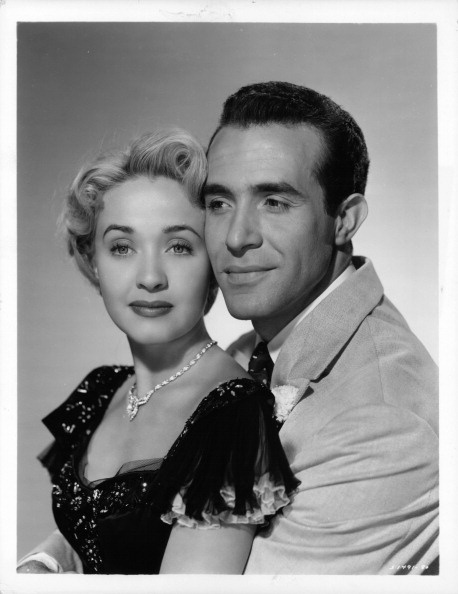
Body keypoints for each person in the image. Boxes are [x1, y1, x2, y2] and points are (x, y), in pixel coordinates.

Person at [17, 129, 299, 574]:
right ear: (94, 261)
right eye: (122, 247)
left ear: (213, 262)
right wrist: (39, 565)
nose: (150, 277)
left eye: (179, 246)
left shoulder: (232, 416)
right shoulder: (101, 391)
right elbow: (87, 537)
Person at [203, 81, 439, 574]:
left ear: (345, 220)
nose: (236, 237)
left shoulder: (381, 421)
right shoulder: (250, 351)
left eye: (274, 201)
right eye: (219, 202)